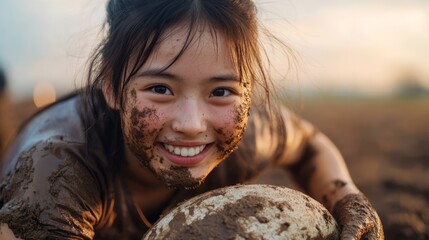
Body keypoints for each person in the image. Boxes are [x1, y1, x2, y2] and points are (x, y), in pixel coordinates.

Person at [0, 0, 384, 239]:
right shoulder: (58, 174)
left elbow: (308, 143)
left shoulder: (248, 133)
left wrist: (347, 197)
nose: (191, 123)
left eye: (221, 91)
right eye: (161, 89)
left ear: (249, 93)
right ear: (113, 85)